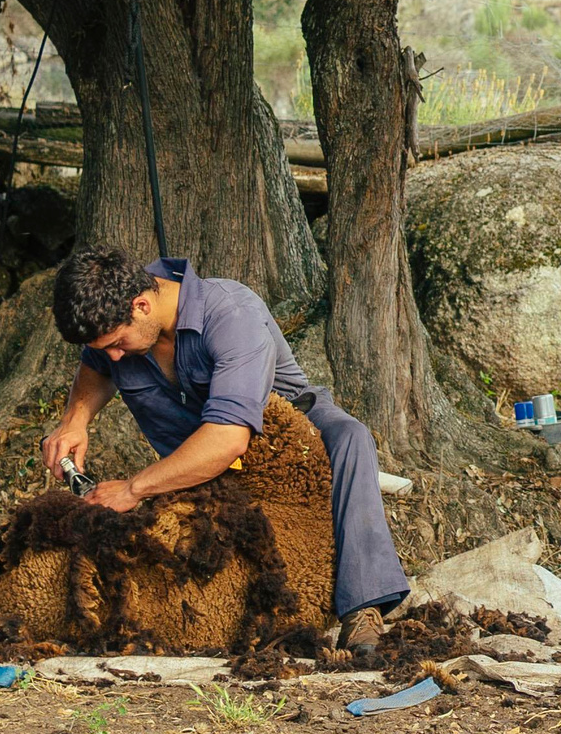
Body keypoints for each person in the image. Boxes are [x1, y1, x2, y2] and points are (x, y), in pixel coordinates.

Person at [39, 247, 410, 660]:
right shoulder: (123, 319)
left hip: (280, 438)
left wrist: (133, 488)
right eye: (104, 346)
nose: (113, 355)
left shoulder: (231, 313)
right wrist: (75, 419)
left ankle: (363, 608)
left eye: (117, 344)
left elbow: (227, 439)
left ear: (141, 305)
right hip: (197, 458)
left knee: (350, 437)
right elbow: (95, 365)